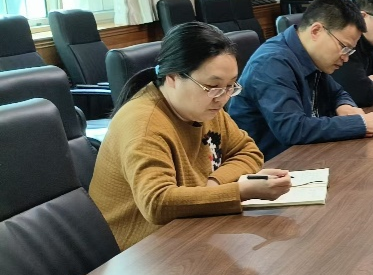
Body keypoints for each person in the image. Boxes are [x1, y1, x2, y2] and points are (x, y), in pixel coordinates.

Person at [89, 22, 291, 250]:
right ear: (173, 77)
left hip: (189, 231)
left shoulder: (205, 106)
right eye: (213, 86)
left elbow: (248, 151)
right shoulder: (143, 124)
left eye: (230, 86)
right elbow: (157, 202)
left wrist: (214, 183)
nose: (223, 98)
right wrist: (239, 192)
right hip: (140, 251)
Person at [228, 0, 373, 159]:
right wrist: (361, 124)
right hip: (273, 164)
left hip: (305, 155)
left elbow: (338, 92)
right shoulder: (272, 62)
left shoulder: (311, 57)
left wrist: (344, 105)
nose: (346, 58)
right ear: (316, 31)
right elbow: (292, 129)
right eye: (344, 47)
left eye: (350, 51)